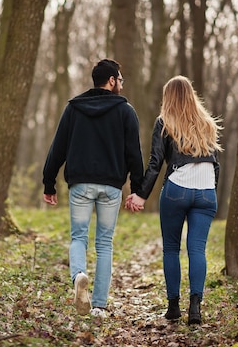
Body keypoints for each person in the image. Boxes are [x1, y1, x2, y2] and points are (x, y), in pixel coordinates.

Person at [42, 59, 144, 318]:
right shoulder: (126, 112)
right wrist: (138, 189)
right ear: (111, 80)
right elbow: (134, 154)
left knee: (78, 237)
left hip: (81, 184)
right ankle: (99, 306)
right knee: (105, 244)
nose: (121, 84)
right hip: (111, 187)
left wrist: (49, 183)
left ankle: (78, 275)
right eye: (120, 79)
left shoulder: (74, 108)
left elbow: (58, 148)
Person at [125, 75, 222, 325]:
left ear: (168, 97)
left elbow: (156, 163)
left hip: (176, 190)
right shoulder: (207, 123)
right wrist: (210, 192)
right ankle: (195, 309)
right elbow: (216, 165)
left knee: (171, 248)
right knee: (197, 250)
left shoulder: (164, 122)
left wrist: (141, 194)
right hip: (206, 191)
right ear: (191, 95)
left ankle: (173, 308)